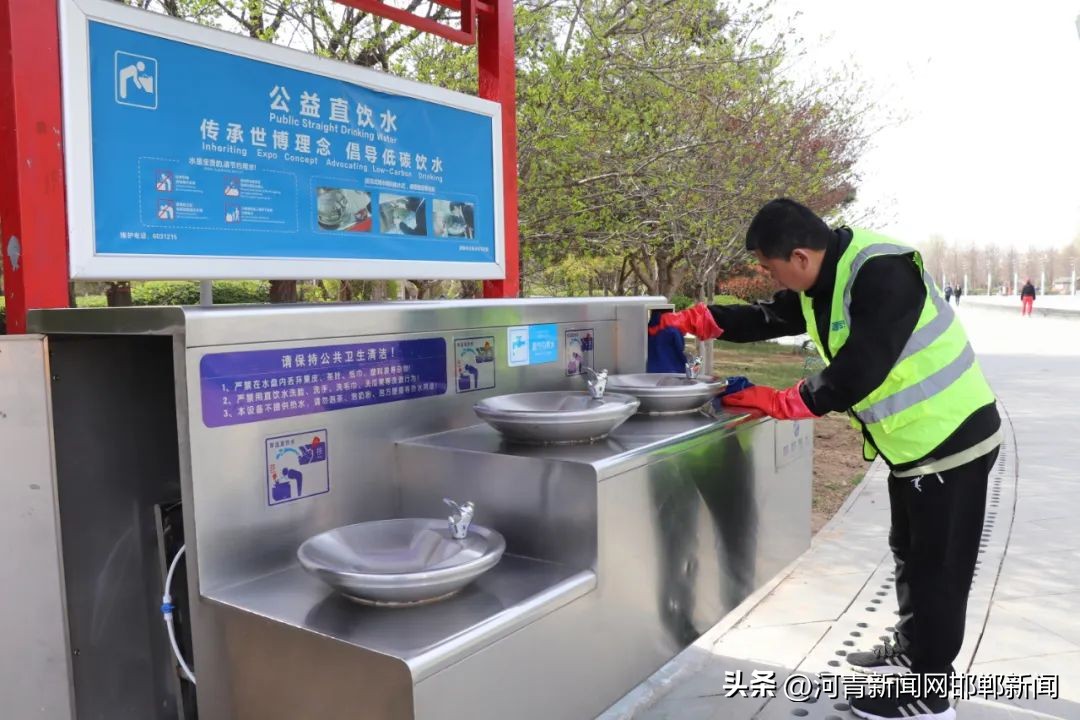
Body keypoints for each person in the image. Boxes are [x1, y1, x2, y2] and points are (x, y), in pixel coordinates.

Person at [651, 198, 1001, 720]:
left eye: (771, 268)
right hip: (914, 445)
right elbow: (773, 314)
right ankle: (912, 652)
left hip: (951, 439)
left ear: (797, 255)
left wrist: (786, 400)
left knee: (938, 567)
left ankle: (928, 694)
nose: (771, 278)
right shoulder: (824, 276)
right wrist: (703, 321)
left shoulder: (882, 273)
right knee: (908, 547)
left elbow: (863, 365)